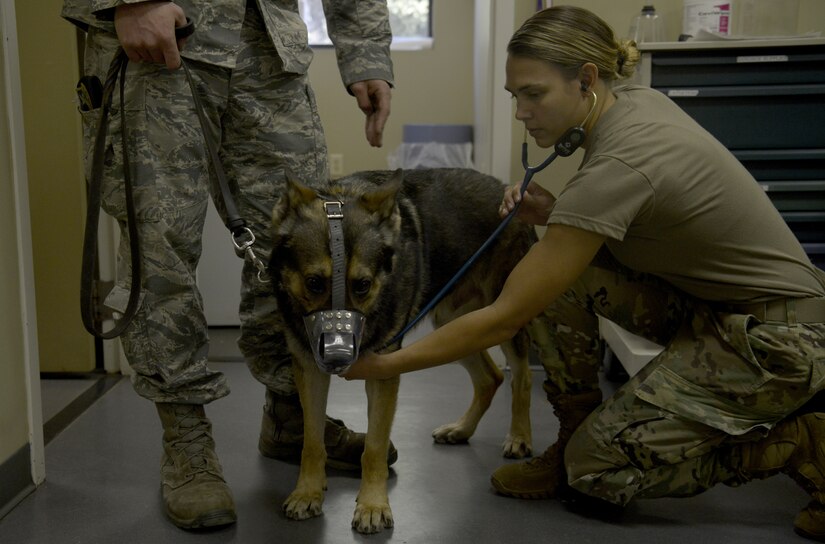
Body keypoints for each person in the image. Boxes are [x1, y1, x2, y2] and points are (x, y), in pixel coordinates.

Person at [342, 5, 825, 540]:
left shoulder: (621, 161)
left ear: (587, 80)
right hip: (724, 308)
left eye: (534, 94)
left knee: (594, 473)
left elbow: (505, 318)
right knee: (557, 277)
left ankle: (801, 443)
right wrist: (556, 216)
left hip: (782, 340)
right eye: (514, 96)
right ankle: (572, 434)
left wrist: (388, 364)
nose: (522, 111)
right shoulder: (633, 104)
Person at [61, 0, 395, 530]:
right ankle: (186, 440)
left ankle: (292, 416)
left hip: (270, 56)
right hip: (162, 45)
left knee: (302, 249)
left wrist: (366, 52)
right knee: (159, 256)